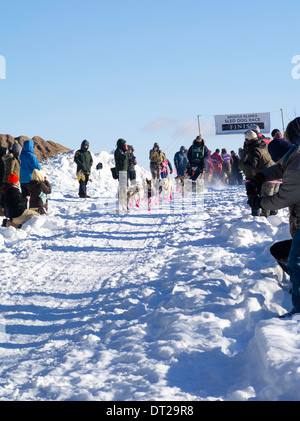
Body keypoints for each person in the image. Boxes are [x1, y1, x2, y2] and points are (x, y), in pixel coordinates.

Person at [246, 117, 300, 317]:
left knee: (295, 262)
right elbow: (280, 168)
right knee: (291, 257)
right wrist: (260, 177)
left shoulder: (296, 167)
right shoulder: (294, 156)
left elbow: (282, 198)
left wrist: (259, 202)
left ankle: (298, 309)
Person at [239, 129, 276, 217]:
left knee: (265, 198)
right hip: (274, 173)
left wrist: (244, 163)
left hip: (266, 175)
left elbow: (252, 165)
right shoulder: (263, 145)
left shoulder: (254, 150)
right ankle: (274, 218)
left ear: (248, 140)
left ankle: (264, 221)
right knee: (272, 199)